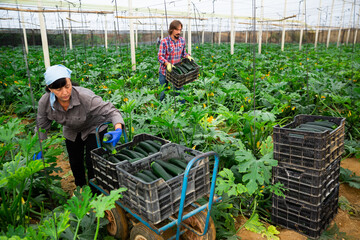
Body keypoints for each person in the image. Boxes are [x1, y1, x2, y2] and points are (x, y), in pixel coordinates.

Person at [35, 64, 124, 188]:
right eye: (58, 90)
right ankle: (80, 188)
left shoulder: (85, 97)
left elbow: (111, 111)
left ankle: (96, 192)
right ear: (50, 88)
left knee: (92, 161)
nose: (65, 92)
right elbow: (42, 125)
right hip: (71, 130)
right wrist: (40, 145)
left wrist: (118, 129)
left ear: (70, 82)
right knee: (75, 162)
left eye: (67, 86)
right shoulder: (45, 103)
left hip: (94, 126)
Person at [157, 20, 194, 101]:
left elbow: (183, 53)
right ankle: (160, 109)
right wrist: (167, 64)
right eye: (177, 30)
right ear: (171, 30)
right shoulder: (164, 42)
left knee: (180, 92)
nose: (179, 32)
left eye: (180, 30)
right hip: (164, 71)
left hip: (176, 72)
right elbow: (160, 57)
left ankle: (182, 111)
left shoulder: (182, 40)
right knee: (163, 92)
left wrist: (187, 56)